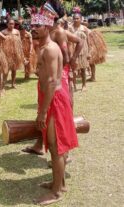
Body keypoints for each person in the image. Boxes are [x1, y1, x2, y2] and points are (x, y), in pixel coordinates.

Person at [30, 7, 78, 205]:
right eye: (32, 24)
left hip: (54, 99)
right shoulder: (43, 47)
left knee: (57, 146)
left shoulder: (50, 49)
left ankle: (57, 191)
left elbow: (51, 81)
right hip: (49, 97)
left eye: (37, 25)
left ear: (48, 26)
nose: (33, 28)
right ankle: (58, 182)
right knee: (53, 144)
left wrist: (42, 112)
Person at [22, 1, 83, 157]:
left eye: (45, 12)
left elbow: (68, 53)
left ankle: (63, 151)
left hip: (58, 75)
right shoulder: (46, 31)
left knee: (58, 112)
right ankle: (40, 143)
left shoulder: (59, 32)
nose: (42, 13)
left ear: (52, 16)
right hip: (50, 73)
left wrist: (72, 63)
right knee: (43, 110)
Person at [68, 7, 89, 91]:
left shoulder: (84, 28)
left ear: (81, 19)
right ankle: (74, 85)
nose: (76, 20)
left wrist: (89, 52)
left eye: (78, 18)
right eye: (75, 18)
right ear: (72, 19)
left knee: (83, 68)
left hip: (83, 50)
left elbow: (88, 41)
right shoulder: (69, 28)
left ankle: (84, 85)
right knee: (73, 69)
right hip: (73, 50)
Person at [1, 18, 24, 88]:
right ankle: (3, 85)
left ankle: (13, 84)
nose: (11, 25)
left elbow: (20, 42)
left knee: (14, 69)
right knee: (6, 69)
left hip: (15, 52)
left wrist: (20, 51)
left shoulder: (17, 32)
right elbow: (1, 43)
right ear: (7, 24)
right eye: (10, 24)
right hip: (6, 53)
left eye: (13, 24)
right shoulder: (3, 32)